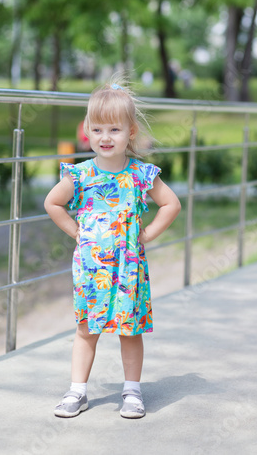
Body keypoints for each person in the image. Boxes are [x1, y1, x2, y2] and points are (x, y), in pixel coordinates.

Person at [44, 80, 181, 419]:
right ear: (86, 132)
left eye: (115, 129)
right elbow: (53, 203)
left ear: (130, 132)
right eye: (97, 128)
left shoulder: (141, 174)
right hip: (92, 269)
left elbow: (171, 204)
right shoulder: (80, 175)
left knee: (129, 330)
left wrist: (146, 233)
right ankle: (78, 391)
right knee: (86, 329)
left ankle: (132, 391)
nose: (105, 137)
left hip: (128, 269)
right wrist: (77, 232)